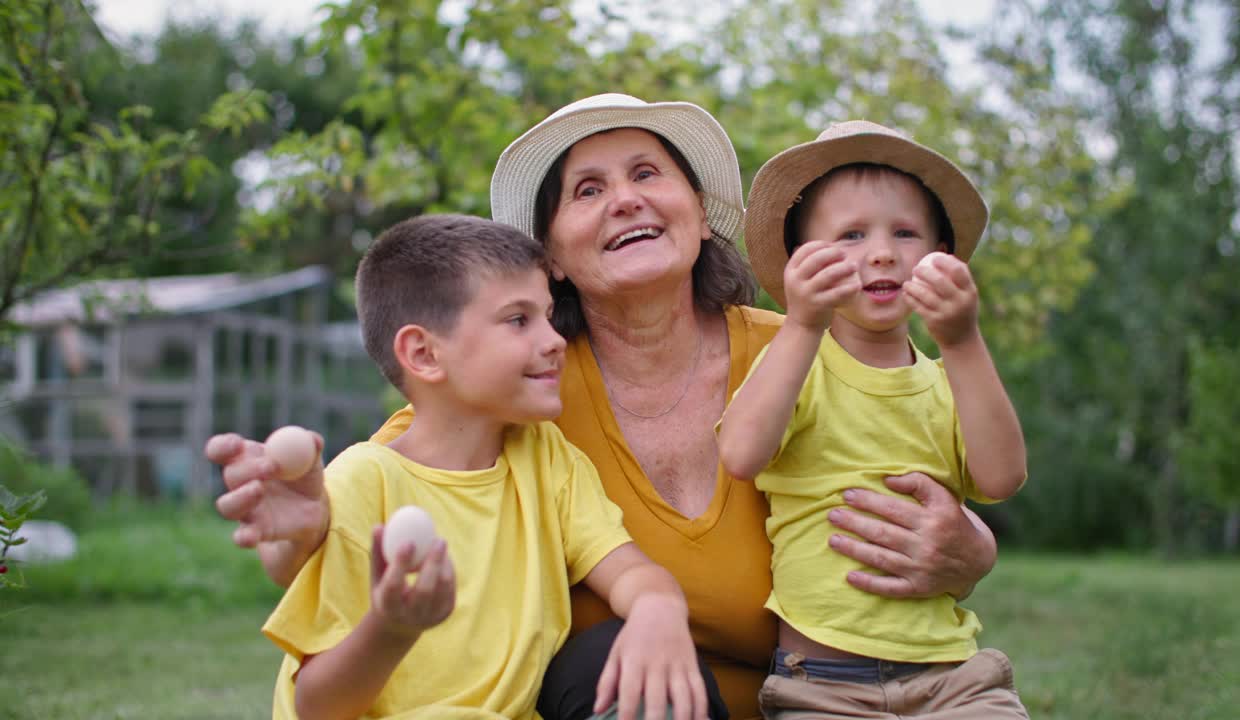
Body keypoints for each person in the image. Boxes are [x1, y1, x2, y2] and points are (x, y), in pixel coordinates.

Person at [207, 94, 1003, 720]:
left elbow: (924, 451)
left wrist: (973, 546)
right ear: (550, 253)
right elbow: (410, 462)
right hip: (619, 706)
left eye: (648, 174)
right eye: (589, 189)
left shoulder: (805, 351)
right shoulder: (528, 394)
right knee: (605, 661)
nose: (626, 200)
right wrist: (304, 529)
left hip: (823, 700)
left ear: (695, 208)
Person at [262, 214, 707, 720]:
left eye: (546, 314)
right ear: (424, 353)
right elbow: (317, 706)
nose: (555, 339)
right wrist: (393, 627)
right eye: (519, 320)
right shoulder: (364, 483)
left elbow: (627, 570)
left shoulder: (545, 459)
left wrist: (658, 608)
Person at [717, 120, 1028, 718]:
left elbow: (1000, 478)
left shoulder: (947, 377)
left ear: (939, 257)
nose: (882, 252)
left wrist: (962, 341)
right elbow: (741, 454)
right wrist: (804, 323)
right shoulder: (799, 363)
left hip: (950, 675)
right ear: (802, 263)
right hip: (822, 683)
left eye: (905, 233)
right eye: (851, 235)